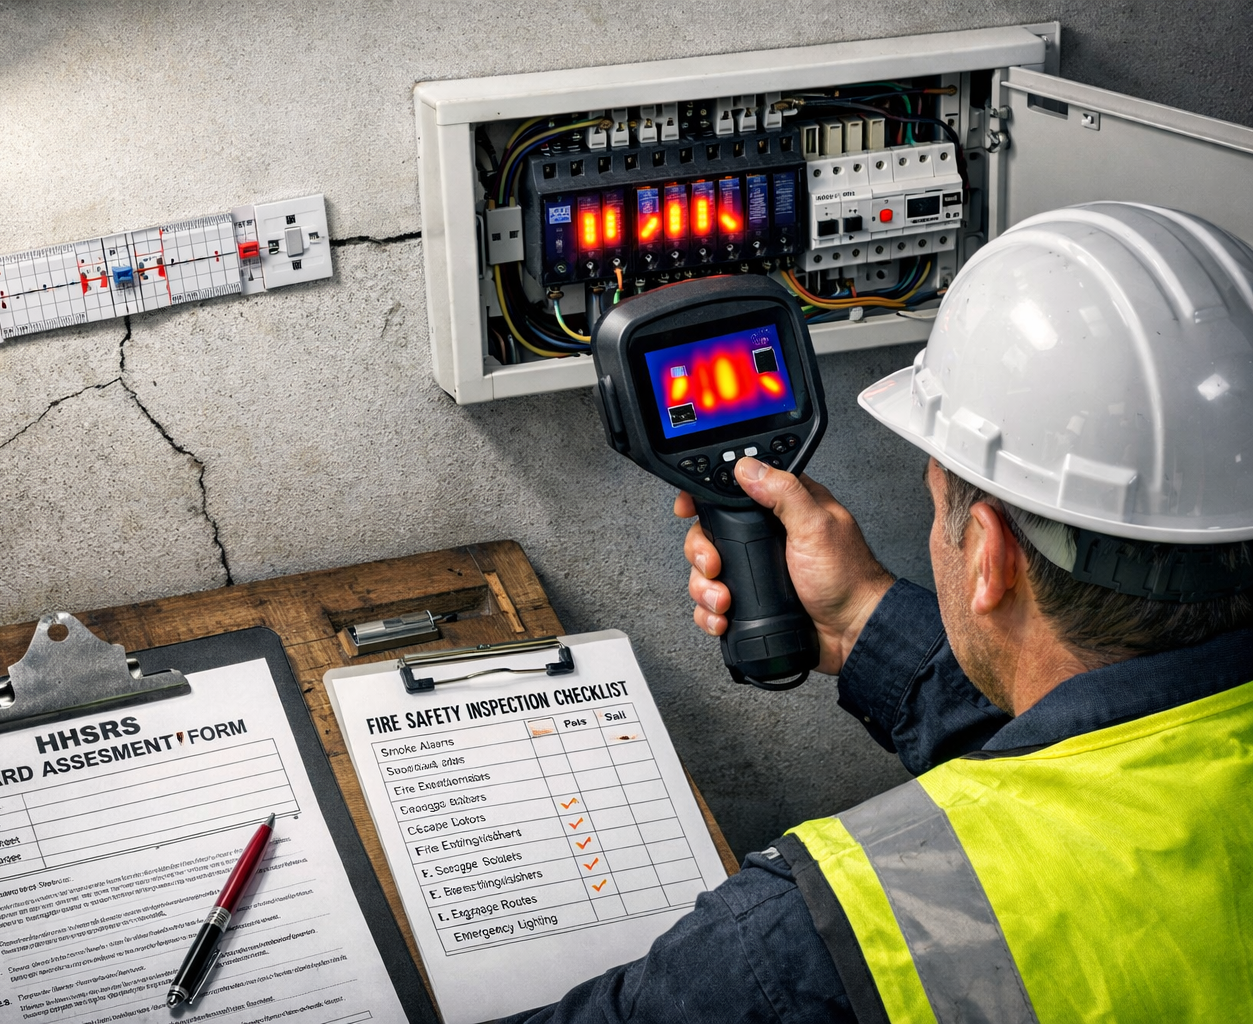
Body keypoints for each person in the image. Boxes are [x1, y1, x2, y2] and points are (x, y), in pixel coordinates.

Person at [503, 202, 1253, 1022]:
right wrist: (862, 616)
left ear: (989, 555)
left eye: (938, 503)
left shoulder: (823, 933)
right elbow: (1106, 770)